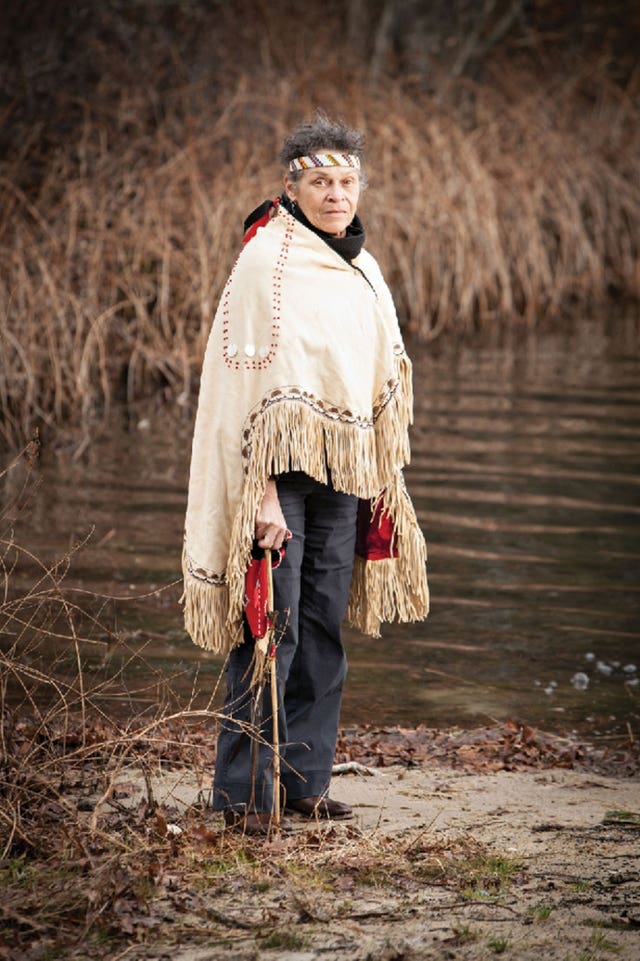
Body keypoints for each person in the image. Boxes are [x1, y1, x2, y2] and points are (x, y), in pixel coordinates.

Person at [182, 113, 429, 834]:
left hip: (342, 471)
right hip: (277, 479)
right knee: (270, 629)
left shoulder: (363, 267)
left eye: (347, 181)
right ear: (291, 184)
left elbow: (375, 371)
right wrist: (259, 493)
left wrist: (379, 469)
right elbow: (244, 388)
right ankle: (243, 796)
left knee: (323, 626)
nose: (336, 194)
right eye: (320, 180)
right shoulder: (267, 261)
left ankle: (302, 782)